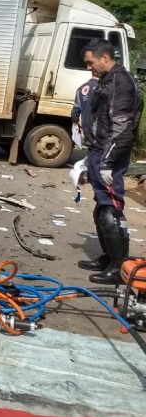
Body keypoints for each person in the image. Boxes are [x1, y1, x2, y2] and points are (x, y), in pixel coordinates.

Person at [77, 39, 143, 284]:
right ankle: (108, 256)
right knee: (101, 206)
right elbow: (98, 121)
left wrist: (107, 161)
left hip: (110, 154)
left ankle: (119, 266)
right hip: (99, 151)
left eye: (90, 62)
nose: (89, 68)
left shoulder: (120, 82)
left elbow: (122, 127)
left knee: (111, 208)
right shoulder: (105, 81)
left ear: (105, 57)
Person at [70, 76, 97, 148]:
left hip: (86, 127)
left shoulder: (80, 89)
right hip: (99, 127)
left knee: (91, 148)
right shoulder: (102, 87)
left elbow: (75, 112)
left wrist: (75, 123)